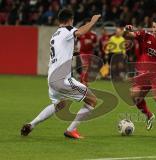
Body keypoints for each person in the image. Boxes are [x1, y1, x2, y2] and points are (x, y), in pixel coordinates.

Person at [20, 8, 101, 139]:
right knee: (92, 100)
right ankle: (71, 130)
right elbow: (80, 32)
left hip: (51, 78)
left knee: (59, 104)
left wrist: (71, 53)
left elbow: (61, 52)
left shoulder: (55, 35)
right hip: (62, 79)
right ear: (70, 19)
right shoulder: (68, 30)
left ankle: (31, 124)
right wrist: (92, 21)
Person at [76, 19, 98, 85]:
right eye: (87, 25)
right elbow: (76, 40)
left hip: (90, 52)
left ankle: (84, 80)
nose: (88, 26)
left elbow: (95, 44)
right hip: (82, 52)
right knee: (85, 66)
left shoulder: (94, 34)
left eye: (90, 25)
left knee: (88, 67)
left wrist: (91, 43)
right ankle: (83, 81)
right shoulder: (81, 33)